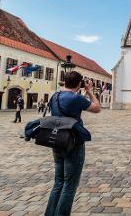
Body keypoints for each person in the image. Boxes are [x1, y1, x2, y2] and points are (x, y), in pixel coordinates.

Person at [45, 71, 101, 216]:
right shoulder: (75, 98)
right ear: (78, 84)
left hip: (56, 140)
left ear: (64, 82)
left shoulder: (55, 96)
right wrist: (89, 91)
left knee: (58, 182)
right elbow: (96, 107)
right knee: (69, 186)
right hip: (73, 142)